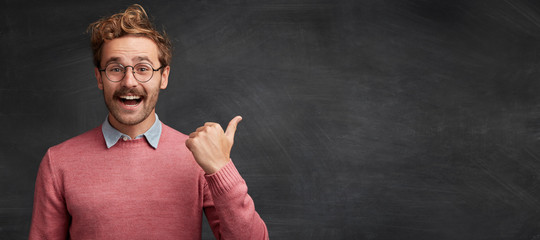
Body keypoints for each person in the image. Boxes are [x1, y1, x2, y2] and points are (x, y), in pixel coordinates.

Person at [29, 4, 268, 239]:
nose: (129, 81)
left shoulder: (199, 159)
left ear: (163, 77)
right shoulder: (58, 162)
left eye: (143, 68)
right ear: (99, 78)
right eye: (115, 69)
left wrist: (221, 169)